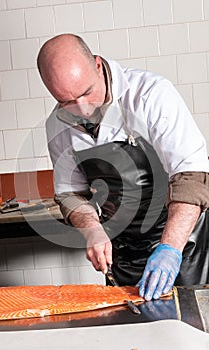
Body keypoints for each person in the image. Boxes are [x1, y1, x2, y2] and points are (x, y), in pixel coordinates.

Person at [37, 33, 209, 301]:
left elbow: (192, 176)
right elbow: (71, 193)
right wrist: (92, 229)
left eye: (86, 92)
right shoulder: (56, 126)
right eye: (67, 101)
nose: (82, 109)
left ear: (97, 65)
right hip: (123, 252)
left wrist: (170, 249)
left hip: (182, 245)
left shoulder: (150, 94)